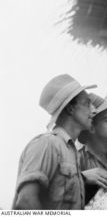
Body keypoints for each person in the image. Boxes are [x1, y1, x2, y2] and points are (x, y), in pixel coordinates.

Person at [12, 74, 96, 209]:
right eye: (87, 104)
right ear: (70, 109)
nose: (94, 110)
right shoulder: (46, 144)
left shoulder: (71, 152)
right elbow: (26, 201)